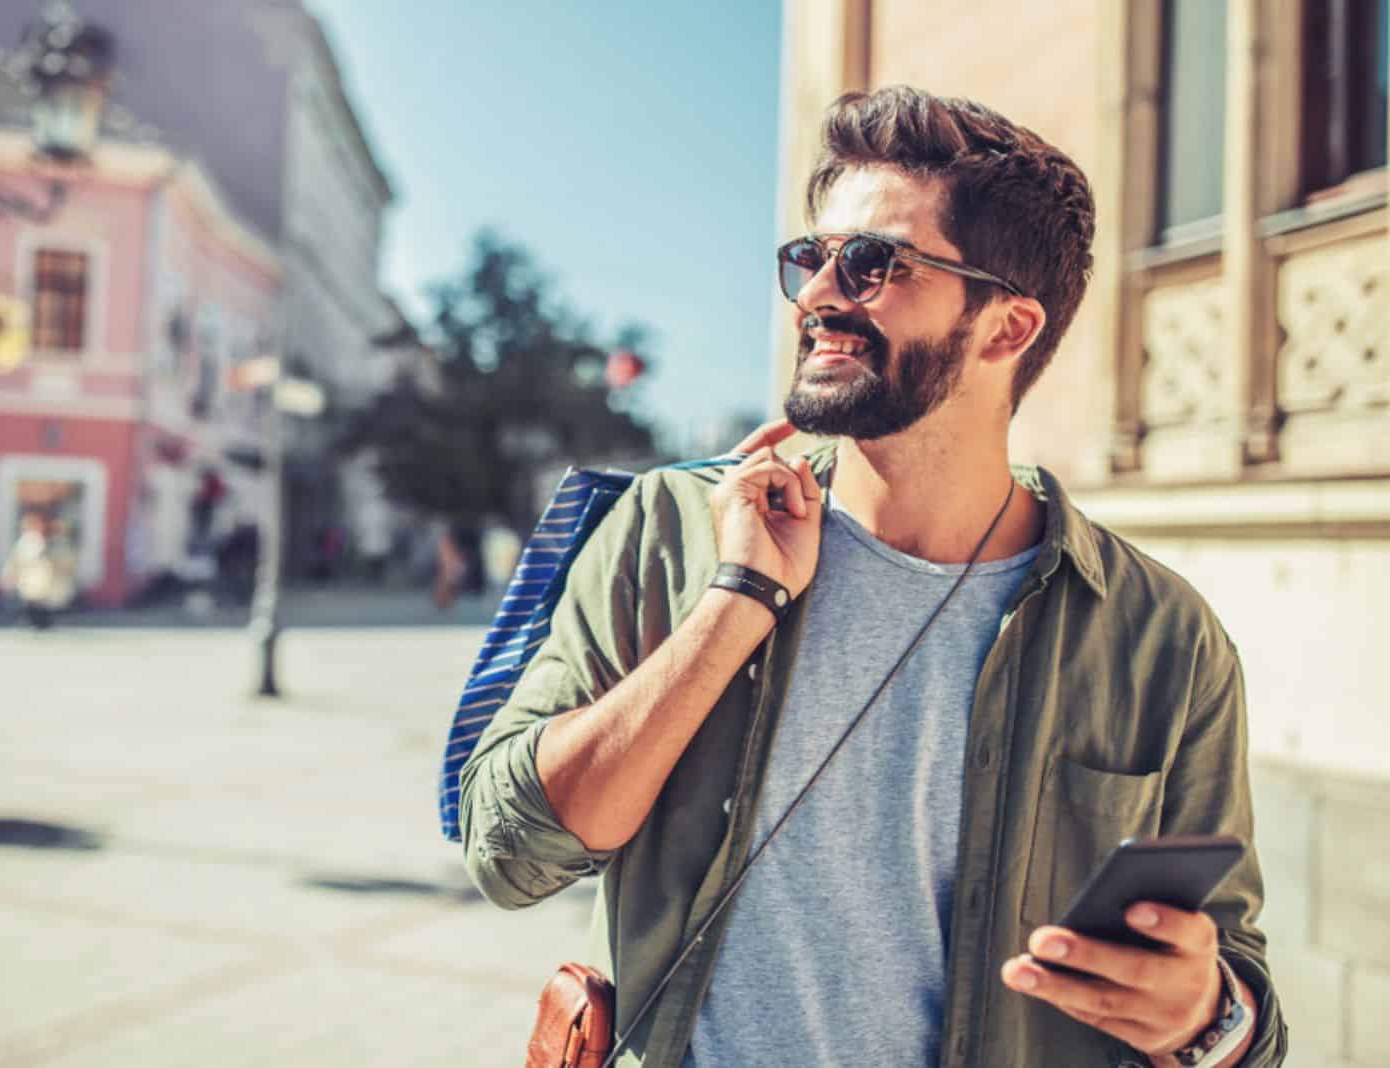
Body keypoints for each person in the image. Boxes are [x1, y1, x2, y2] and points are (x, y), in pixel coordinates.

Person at [459, 86, 1285, 1067]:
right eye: (811, 259)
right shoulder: (670, 530)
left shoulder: (1156, 635)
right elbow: (509, 854)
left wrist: (1205, 1016)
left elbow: (1241, 1011)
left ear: (1005, 329)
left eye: (871, 264)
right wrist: (737, 602)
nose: (815, 296)